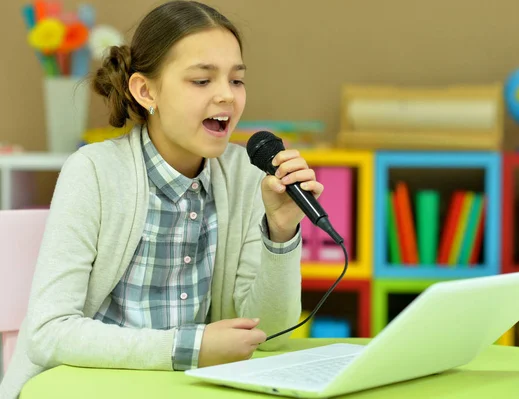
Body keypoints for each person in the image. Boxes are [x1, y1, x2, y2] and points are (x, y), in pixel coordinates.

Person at [0, 1, 323, 397]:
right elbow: (48, 333)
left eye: (236, 80)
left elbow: (270, 334)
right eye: (202, 81)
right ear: (145, 90)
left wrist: (281, 229)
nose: (227, 96)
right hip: (89, 385)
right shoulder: (94, 172)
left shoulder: (246, 175)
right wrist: (190, 347)